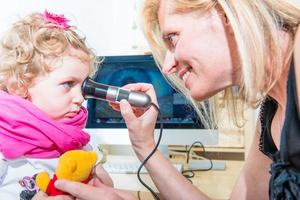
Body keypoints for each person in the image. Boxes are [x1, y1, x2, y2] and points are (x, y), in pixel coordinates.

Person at [54, 0, 300, 199]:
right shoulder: (272, 111)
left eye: (172, 38)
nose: (168, 66)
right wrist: (144, 146)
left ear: (224, 12)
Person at [0, 10, 113, 199]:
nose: (80, 98)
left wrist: (98, 180)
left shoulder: (78, 141)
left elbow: (107, 187)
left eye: (82, 86)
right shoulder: (3, 142)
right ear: (19, 86)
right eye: (68, 84)